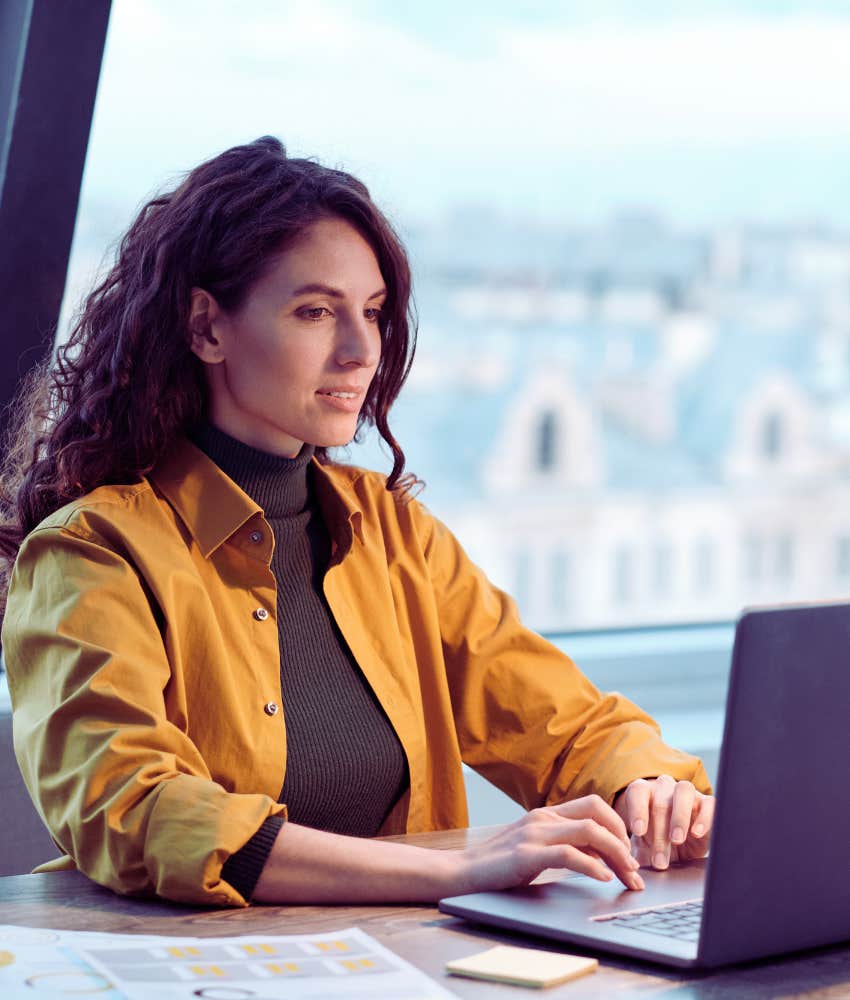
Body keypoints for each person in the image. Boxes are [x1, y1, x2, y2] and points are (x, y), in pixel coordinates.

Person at [0, 137, 713, 907]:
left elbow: (563, 722)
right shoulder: (91, 552)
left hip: (396, 968)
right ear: (206, 328)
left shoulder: (395, 534)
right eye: (315, 312)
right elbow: (138, 809)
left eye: (372, 313)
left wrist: (648, 783)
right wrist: (459, 870)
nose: (359, 350)